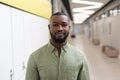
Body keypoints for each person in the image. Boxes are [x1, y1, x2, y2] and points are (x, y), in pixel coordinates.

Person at [25, 12, 90, 80]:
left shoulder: (80, 57)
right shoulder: (35, 57)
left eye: (64, 25)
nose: (60, 28)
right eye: (55, 25)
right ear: (49, 27)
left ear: (69, 28)